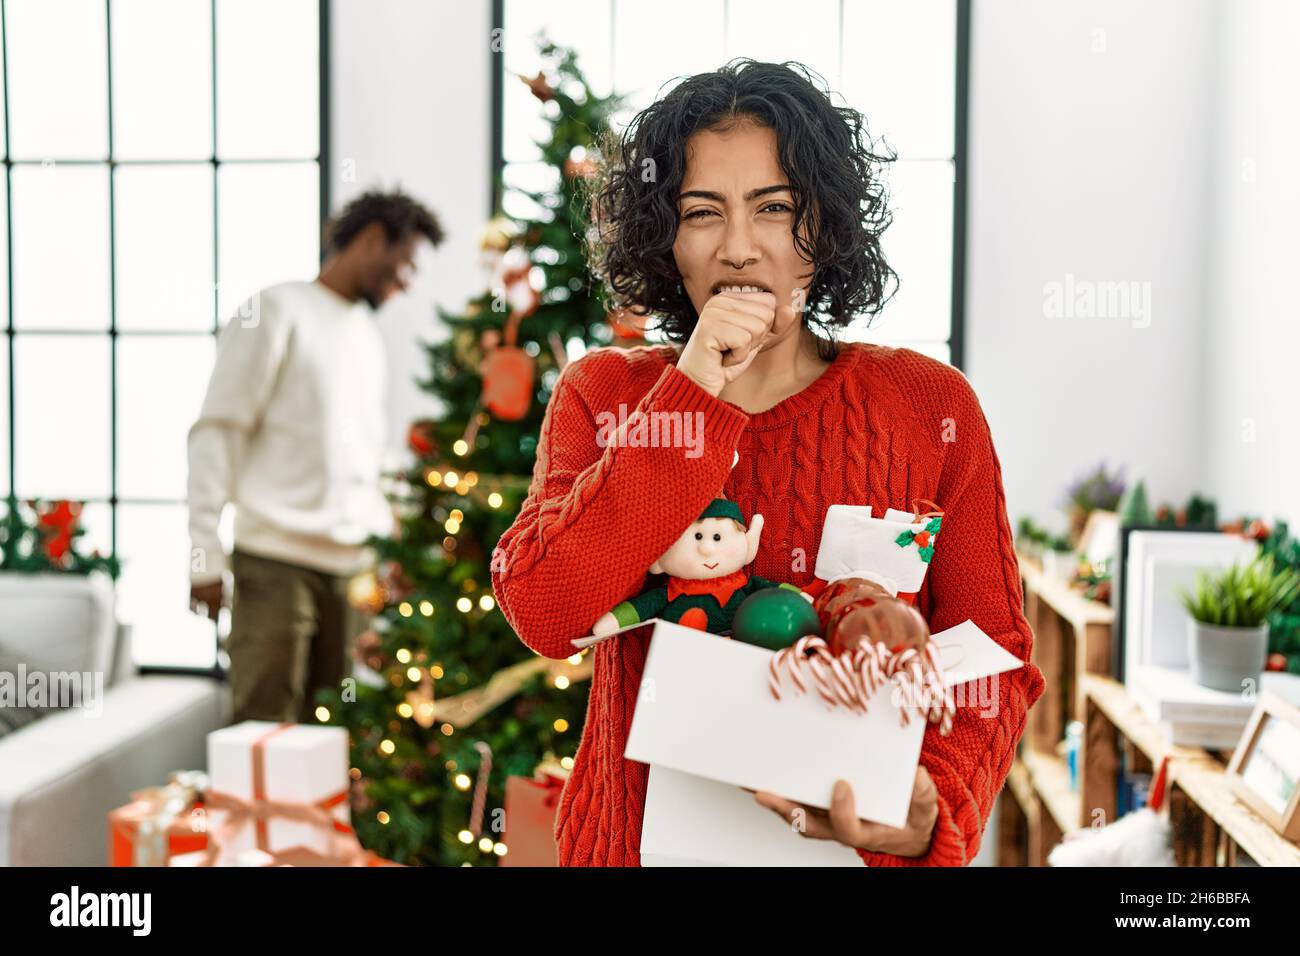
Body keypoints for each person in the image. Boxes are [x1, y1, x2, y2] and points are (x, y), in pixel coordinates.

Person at [491, 60, 1046, 866]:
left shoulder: (932, 408)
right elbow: (545, 610)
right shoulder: (605, 394)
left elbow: (993, 653)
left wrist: (936, 803)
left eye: (775, 208)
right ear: (665, 238)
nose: (742, 249)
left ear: (824, 226)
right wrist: (695, 392)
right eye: (702, 212)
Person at [187, 188, 444, 724]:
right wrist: (204, 555)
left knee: (331, 740)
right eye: (407, 266)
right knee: (264, 730)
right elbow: (218, 432)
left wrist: (390, 548)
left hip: (351, 571)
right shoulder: (275, 310)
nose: (409, 283)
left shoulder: (366, 335)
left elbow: (369, 457)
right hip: (274, 565)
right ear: (374, 239)